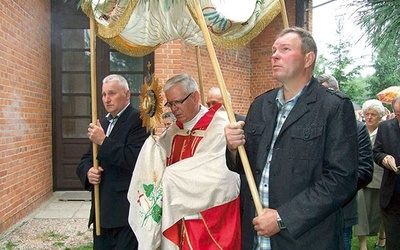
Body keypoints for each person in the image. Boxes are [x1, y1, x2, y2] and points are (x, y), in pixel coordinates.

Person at [224, 27, 359, 249]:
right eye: (273, 50)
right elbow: (244, 166)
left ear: (308, 59)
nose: (274, 55)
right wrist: (232, 147)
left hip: (306, 239)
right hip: (256, 237)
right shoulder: (260, 105)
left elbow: (341, 180)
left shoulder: (333, 107)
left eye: (285, 49)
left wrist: (282, 218)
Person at [128, 73, 241, 249]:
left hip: (208, 218)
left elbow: (223, 175)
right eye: (170, 104)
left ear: (195, 97)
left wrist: (172, 179)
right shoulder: (173, 131)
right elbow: (156, 168)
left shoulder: (219, 126)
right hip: (175, 218)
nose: (174, 109)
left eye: (178, 102)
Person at [76, 74, 149, 249]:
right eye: (103, 95)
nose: (107, 100)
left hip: (124, 211)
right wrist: (88, 172)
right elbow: (86, 159)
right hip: (102, 211)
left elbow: (134, 160)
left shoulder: (139, 120)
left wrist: (104, 141)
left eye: (112, 93)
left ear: (127, 94)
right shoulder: (102, 122)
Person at [317, 74, 374, 250]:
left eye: (328, 92)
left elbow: (365, 171)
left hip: (341, 211)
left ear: (338, 92)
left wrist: (330, 191)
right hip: (306, 215)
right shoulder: (307, 125)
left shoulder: (356, 128)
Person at [354, 99, 386, 250]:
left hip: (381, 176)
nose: (369, 117)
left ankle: (382, 238)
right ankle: (362, 245)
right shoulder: (359, 130)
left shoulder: (385, 130)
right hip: (362, 176)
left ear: (380, 116)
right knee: (361, 210)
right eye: (367, 114)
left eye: (373, 114)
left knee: (381, 210)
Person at [373, 94, 400, 249]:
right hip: (392, 195)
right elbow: (376, 152)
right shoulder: (385, 127)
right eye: (398, 115)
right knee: (394, 242)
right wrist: (384, 159)